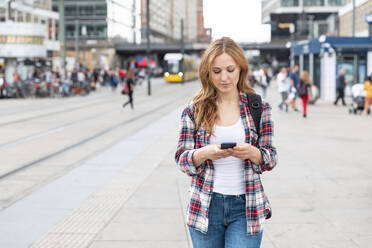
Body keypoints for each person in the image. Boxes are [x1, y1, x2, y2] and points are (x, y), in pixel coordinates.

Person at [175, 37, 277, 248]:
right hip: (205, 206)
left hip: (246, 207)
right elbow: (181, 159)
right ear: (207, 73)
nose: (224, 78)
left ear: (240, 69)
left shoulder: (259, 107)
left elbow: (270, 157)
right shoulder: (194, 109)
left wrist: (253, 153)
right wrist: (204, 153)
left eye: (230, 70)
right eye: (216, 71)